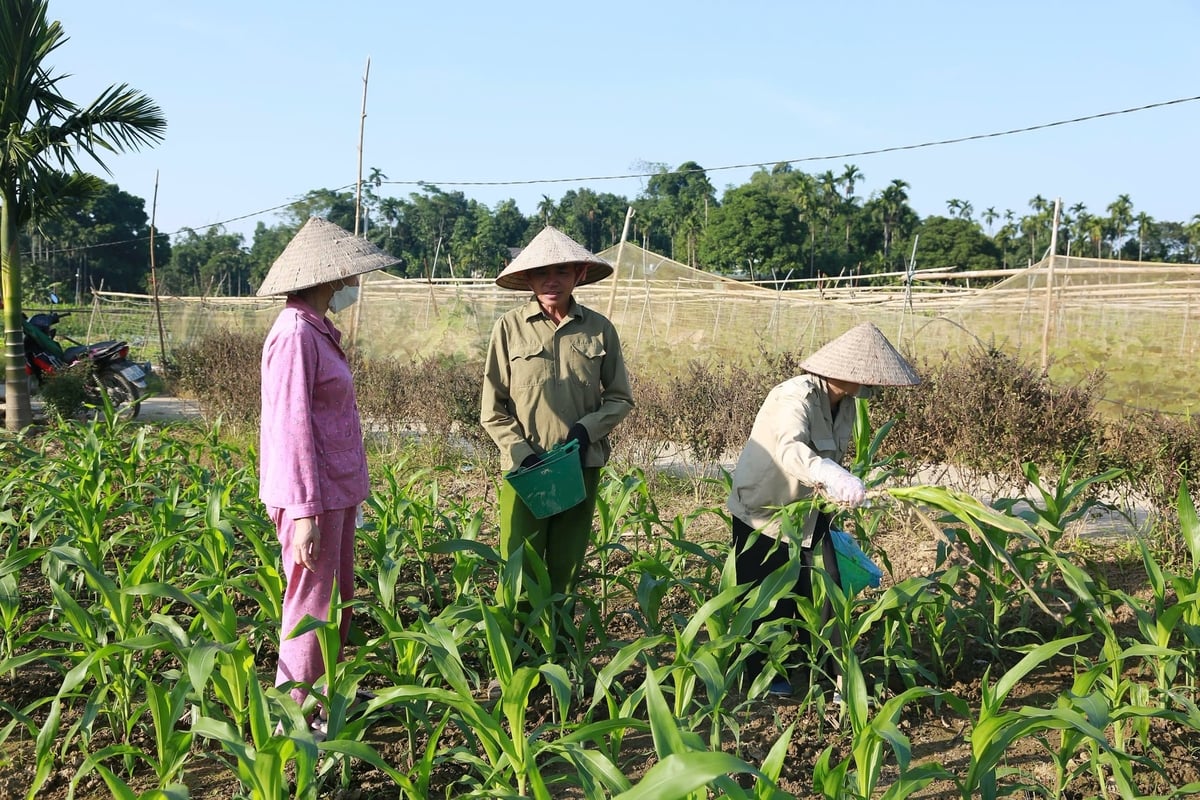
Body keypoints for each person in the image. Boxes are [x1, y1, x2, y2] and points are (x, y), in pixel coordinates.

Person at [256, 216, 397, 737]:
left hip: (332, 491)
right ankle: (294, 716)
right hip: (310, 498)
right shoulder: (295, 334)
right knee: (310, 603)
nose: (354, 281)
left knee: (335, 598)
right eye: (350, 273)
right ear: (332, 277)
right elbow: (290, 427)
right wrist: (304, 514)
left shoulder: (315, 328)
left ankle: (326, 697)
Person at [727, 321, 920, 696]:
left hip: (810, 512)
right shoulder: (793, 397)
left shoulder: (845, 404)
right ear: (842, 371)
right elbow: (791, 450)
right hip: (765, 510)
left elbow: (832, 454)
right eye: (866, 375)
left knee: (826, 585)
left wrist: (839, 489)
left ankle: (823, 667)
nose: (871, 384)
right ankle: (762, 675)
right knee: (765, 595)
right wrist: (832, 474)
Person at [481, 226, 634, 647]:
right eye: (542, 272)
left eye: (562, 271)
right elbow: (492, 409)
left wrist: (587, 431)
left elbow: (620, 397)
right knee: (520, 564)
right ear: (527, 278)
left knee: (566, 566)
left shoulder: (599, 329)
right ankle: (515, 652)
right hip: (526, 471)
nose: (552, 281)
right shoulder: (509, 328)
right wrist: (521, 453)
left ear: (579, 274)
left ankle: (560, 650)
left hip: (579, 467)